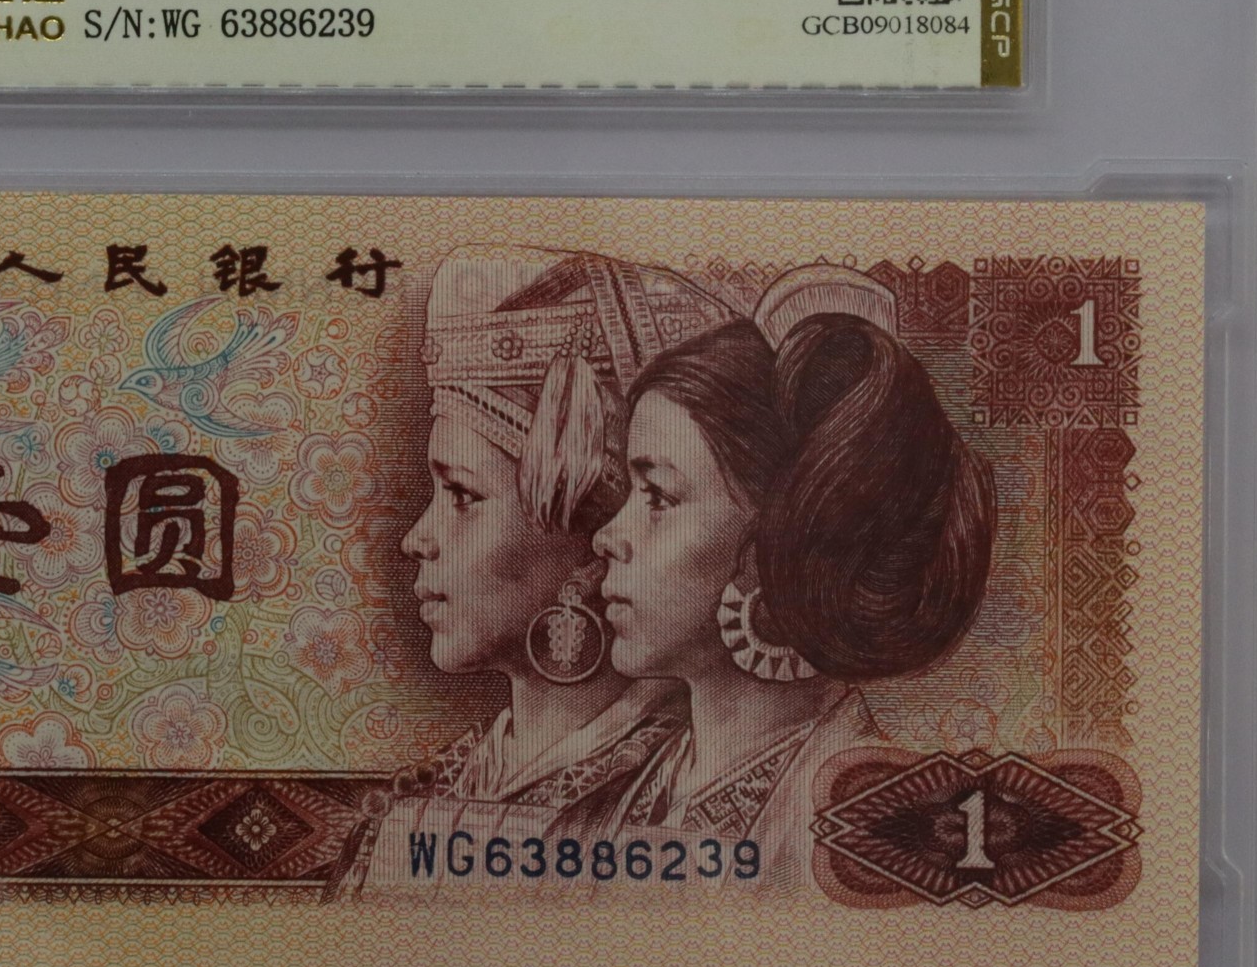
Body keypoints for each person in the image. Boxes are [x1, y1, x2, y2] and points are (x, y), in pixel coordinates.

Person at [330, 247, 735, 897]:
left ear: (592, 538)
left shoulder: (692, 801)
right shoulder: (420, 802)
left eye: (462, 494)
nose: (417, 539)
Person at [591, 266, 996, 884]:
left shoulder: (876, 828)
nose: (606, 536)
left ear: (780, 541)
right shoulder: (619, 793)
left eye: (659, 497)